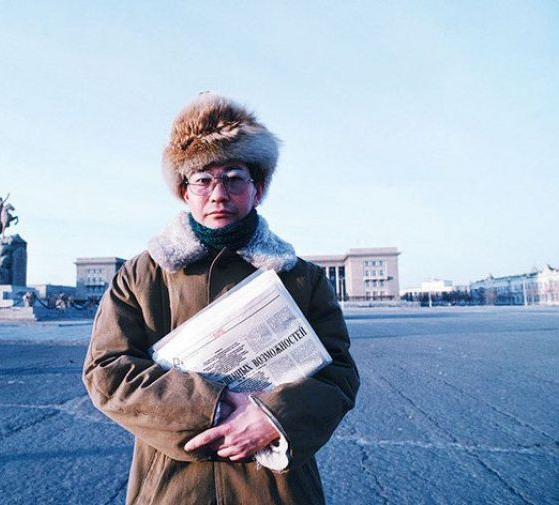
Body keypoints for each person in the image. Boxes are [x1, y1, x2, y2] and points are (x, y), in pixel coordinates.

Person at [83, 93, 359, 504]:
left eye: (234, 177)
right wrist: (213, 406)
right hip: (173, 488)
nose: (218, 194)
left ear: (258, 188)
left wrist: (274, 419)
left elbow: (338, 375)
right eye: (202, 179)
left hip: (277, 490)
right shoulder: (143, 274)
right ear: (184, 191)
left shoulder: (301, 278)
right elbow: (106, 370)